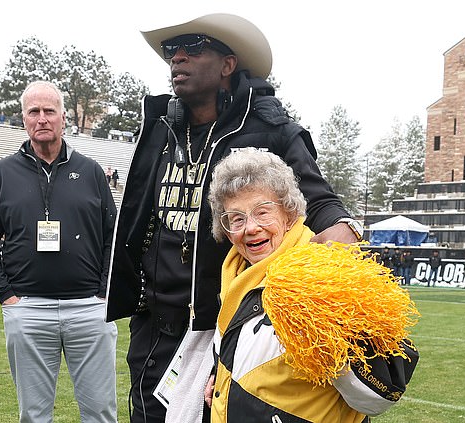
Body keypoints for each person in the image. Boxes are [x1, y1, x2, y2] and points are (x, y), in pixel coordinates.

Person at [104, 13, 363, 423]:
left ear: (228, 64)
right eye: (172, 50)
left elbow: (321, 204)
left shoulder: (270, 128)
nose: (178, 58)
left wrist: (343, 240)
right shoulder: (159, 128)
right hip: (155, 324)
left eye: (193, 47)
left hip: (223, 325)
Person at [199, 149, 418, 422]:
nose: (251, 227)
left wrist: (330, 344)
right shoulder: (236, 275)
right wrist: (220, 379)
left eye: (262, 212)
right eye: (237, 218)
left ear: (289, 214)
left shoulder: (322, 274)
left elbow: (376, 398)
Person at [0, 80, 118, 423]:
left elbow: (113, 237)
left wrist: (102, 293)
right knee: (34, 415)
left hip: (89, 309)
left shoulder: (91, 171)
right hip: (28, 310)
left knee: (100, 412)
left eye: (49, 111)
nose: (42, 118)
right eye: (33, 111)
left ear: (63, 118)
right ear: (23, 119)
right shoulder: (3, 173)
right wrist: (6, 296)